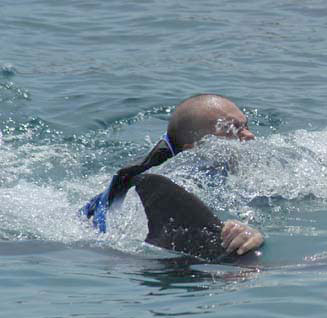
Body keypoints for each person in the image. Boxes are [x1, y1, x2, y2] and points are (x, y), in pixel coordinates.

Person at [81, 93, 263, 256]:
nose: (250, 135)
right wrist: (243, 233)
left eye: (246, 125)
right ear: (194, 149)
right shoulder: (195, 172)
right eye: (231, 128)